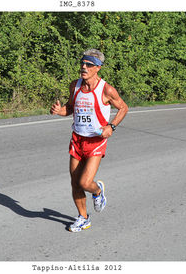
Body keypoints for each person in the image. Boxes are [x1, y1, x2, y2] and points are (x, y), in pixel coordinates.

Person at [50, 49, 128, 232]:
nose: (83, 67)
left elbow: (123, 108)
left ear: (98, 68)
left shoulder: (106, 89)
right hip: (77, 139)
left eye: (89, 65)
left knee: (86, 183)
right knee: (75, 182)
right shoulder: (74, 86)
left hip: (95, 141)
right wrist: (58, 111)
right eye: (82, 63)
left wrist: (111, 126)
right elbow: (70, 108)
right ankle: (83, 218)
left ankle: (98, 191)